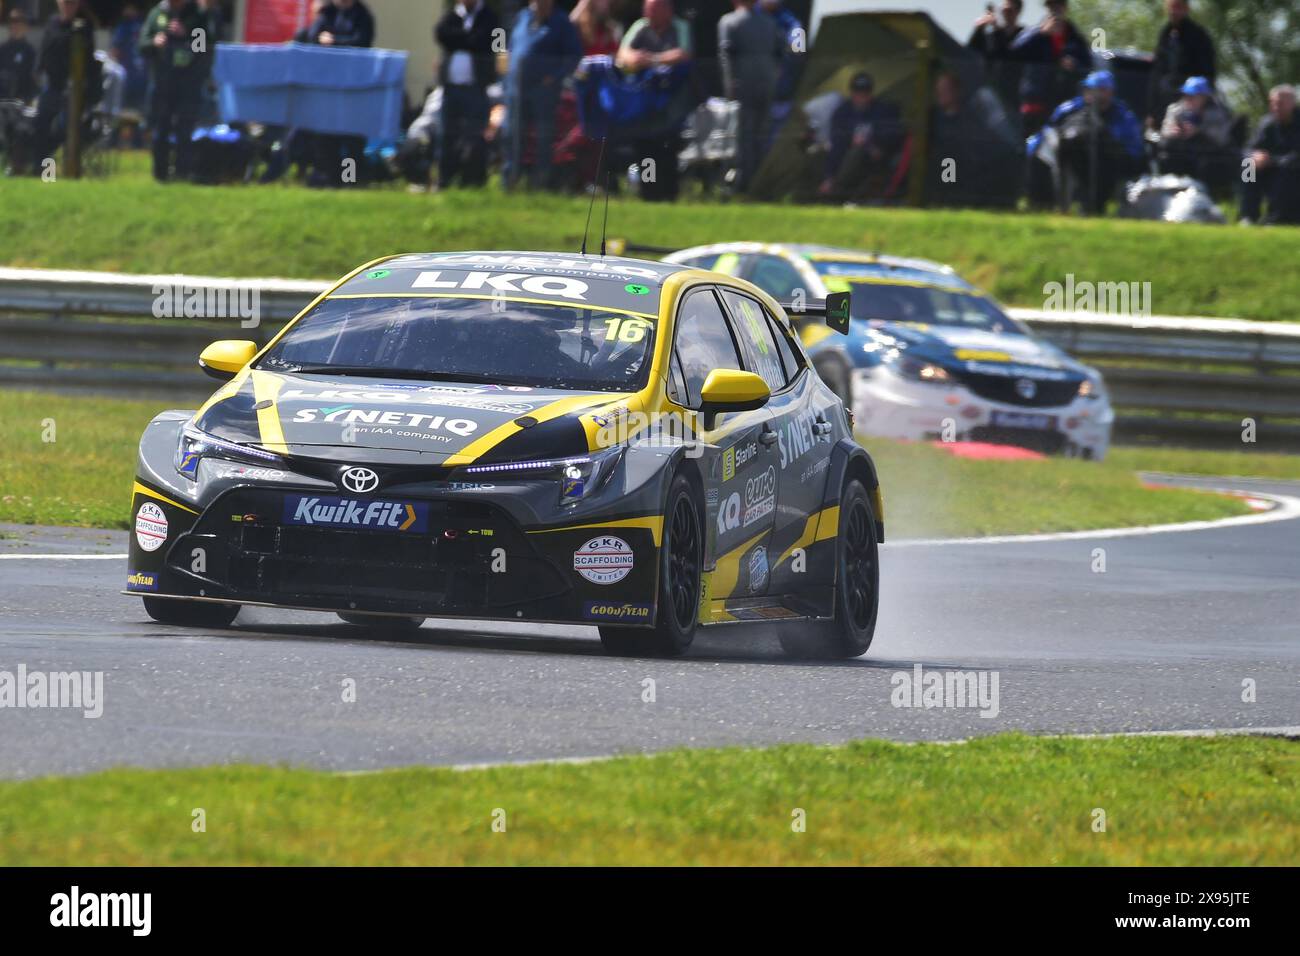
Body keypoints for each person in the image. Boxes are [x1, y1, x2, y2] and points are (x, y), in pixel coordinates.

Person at [1030, 70, 1143, 214]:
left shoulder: (1123, 115)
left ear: (1110, 92)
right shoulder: (1069, 109)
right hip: (1067, 157)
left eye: (1101, 90)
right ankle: (1047, 205)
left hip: (1108, 164)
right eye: (1090, 89)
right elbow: (1048, 131)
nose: (1095, 94)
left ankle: (1091, 208)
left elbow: (1132, 149)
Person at [616, 0, 693, 201]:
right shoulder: (641, 26)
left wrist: (651, 60)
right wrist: (635, 58)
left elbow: (683, 54)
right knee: (646, 149)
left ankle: (669, 193)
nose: (649, 14)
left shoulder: (679, 26)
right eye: (647, 10)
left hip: (672, 103)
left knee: (668, 149)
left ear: (668, 10)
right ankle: (649, 192)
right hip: (645, 104)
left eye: (655, 10)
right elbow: (623, 55)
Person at [503, 0, 582, 190]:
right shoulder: (522, 17)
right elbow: (511, 48)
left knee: (543, 138)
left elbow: (573, 56)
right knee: (513, 136)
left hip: (544, 92)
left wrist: (554, 77)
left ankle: (540, 184)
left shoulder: (562, 22)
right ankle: (511, 183)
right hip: (517, 89)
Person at [304, 0, 375, 187]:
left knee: (351, 138)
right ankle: (330, 178)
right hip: (328, 85)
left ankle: (349, 178)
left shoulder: (362, 16)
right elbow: (313, 37)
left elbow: (362, 41)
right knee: (327, 137)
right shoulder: (327, 14)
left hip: (353, 86)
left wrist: (335, 42)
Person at [717, 0, 783, 192]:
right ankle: (764, 183)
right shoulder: (771, 22)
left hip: (743, 86)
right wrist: (773, 75)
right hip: (767, 85)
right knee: (763, 134)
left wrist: (729, 85)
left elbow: (726, 55)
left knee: (743, 136)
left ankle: (745, 184)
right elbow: (781, 52)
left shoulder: (728, 22)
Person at [139, 0, 207, 182]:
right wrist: (154, 42)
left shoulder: (198, 16)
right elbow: (142, 44)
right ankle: (160, 174)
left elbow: (204, 48)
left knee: (184, 130)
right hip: (162, 82)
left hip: (188, 83)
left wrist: (186, 36)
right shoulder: (157, 14)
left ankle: (182, 173)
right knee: (161, 129)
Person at [435, 0, 500, 188]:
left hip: (476, 88)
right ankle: (445, 179)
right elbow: (440, 34)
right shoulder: (452, 15)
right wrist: (469, 38)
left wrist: (461, 40)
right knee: (447, 134)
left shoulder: (490, 16)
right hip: (451, 88)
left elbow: (490, 42)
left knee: (475, 135)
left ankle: (473, 180)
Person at [819, 70, 906, 203]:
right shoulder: (842, 113)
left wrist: (871, 145)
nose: (861, 96)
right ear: (852, 93)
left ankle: (836, 193)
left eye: (865, 93)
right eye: (858, 92)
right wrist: (830, 175)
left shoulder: (883, 110)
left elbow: (891, 137)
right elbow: (837, 143)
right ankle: (830, 186)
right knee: (822, 155)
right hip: (845, 159)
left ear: (871, 93)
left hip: (874, 160)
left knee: (858, 153)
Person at [1009, 0, 1088, 136]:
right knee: (1031, 142)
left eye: (1058, 5)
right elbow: (1014, 52)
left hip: (1063, 102)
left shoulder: (1074, 36)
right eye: (1051, 6)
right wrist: (1041, 33)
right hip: (1036, 102)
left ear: (1065, 8)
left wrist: (1074, 64)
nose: (1055, 9)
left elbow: (1087, 62)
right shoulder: (1035, 32)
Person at [33, 0, 96, 170]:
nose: (68, 7)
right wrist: (38, 70)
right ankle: (45, 173)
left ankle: (62, 169)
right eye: (65, 3)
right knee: (41, 124)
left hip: (73, 89)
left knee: (62, 129)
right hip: (52, 86)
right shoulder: (52, 23)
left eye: (72, 3)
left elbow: (88, 59)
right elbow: (43, 50)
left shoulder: (83, 26)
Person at [1146, 0, 1215, 131]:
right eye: (1171, 7)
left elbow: (1208, 74)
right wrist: (1152, 111)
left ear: (1186, 9)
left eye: (1178, 7)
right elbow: (1156, 74)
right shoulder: (1165, 35)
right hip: (1165, 103)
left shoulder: (1199, 36)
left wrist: (1201, 103)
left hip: (1189, 103)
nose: (1174, 12)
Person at [1156, 75, 1233, 188]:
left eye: (1193, 95)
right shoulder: (1175, 109)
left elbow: (1222, 138)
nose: (1189, 98)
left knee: (1208, 160)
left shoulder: (1217, 112)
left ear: (1204, 97)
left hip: (1206, 152)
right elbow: (1165, 130)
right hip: (1181, 149)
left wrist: (1199, 131)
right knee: (1166, 151)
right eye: (1187, 94)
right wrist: (1173, 131)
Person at [1240, 85, 1299, 226]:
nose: (1275, 107)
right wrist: (1254, 155)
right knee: (1248, 166)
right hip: (1269, 168)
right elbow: (1248, 148)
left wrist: (1270, 160)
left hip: (1292, 171)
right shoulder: (1267, 123)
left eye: (1280, 103)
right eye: (1272, 103)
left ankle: (1277, 218)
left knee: (1286, 172)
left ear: (1292, 103)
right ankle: (1249, 216)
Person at [967, 0, 1024, 116]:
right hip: (993, 93)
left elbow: (1010, 54)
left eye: (1009, 11)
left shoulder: (1024, 34)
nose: (1005, 14)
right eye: (1003, 10)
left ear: (1018, 12)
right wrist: (979, 29)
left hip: (1014, 94)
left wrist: (997, 29)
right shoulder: (992, 35)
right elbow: (970, 51)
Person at [0, 9, 38, 102]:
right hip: (3, 102)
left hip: (21, 102)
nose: (14, 25)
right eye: (12, 21)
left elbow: (33, 79)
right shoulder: (2, 49)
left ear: (25, 26)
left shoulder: (30, 51)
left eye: (18, 21)